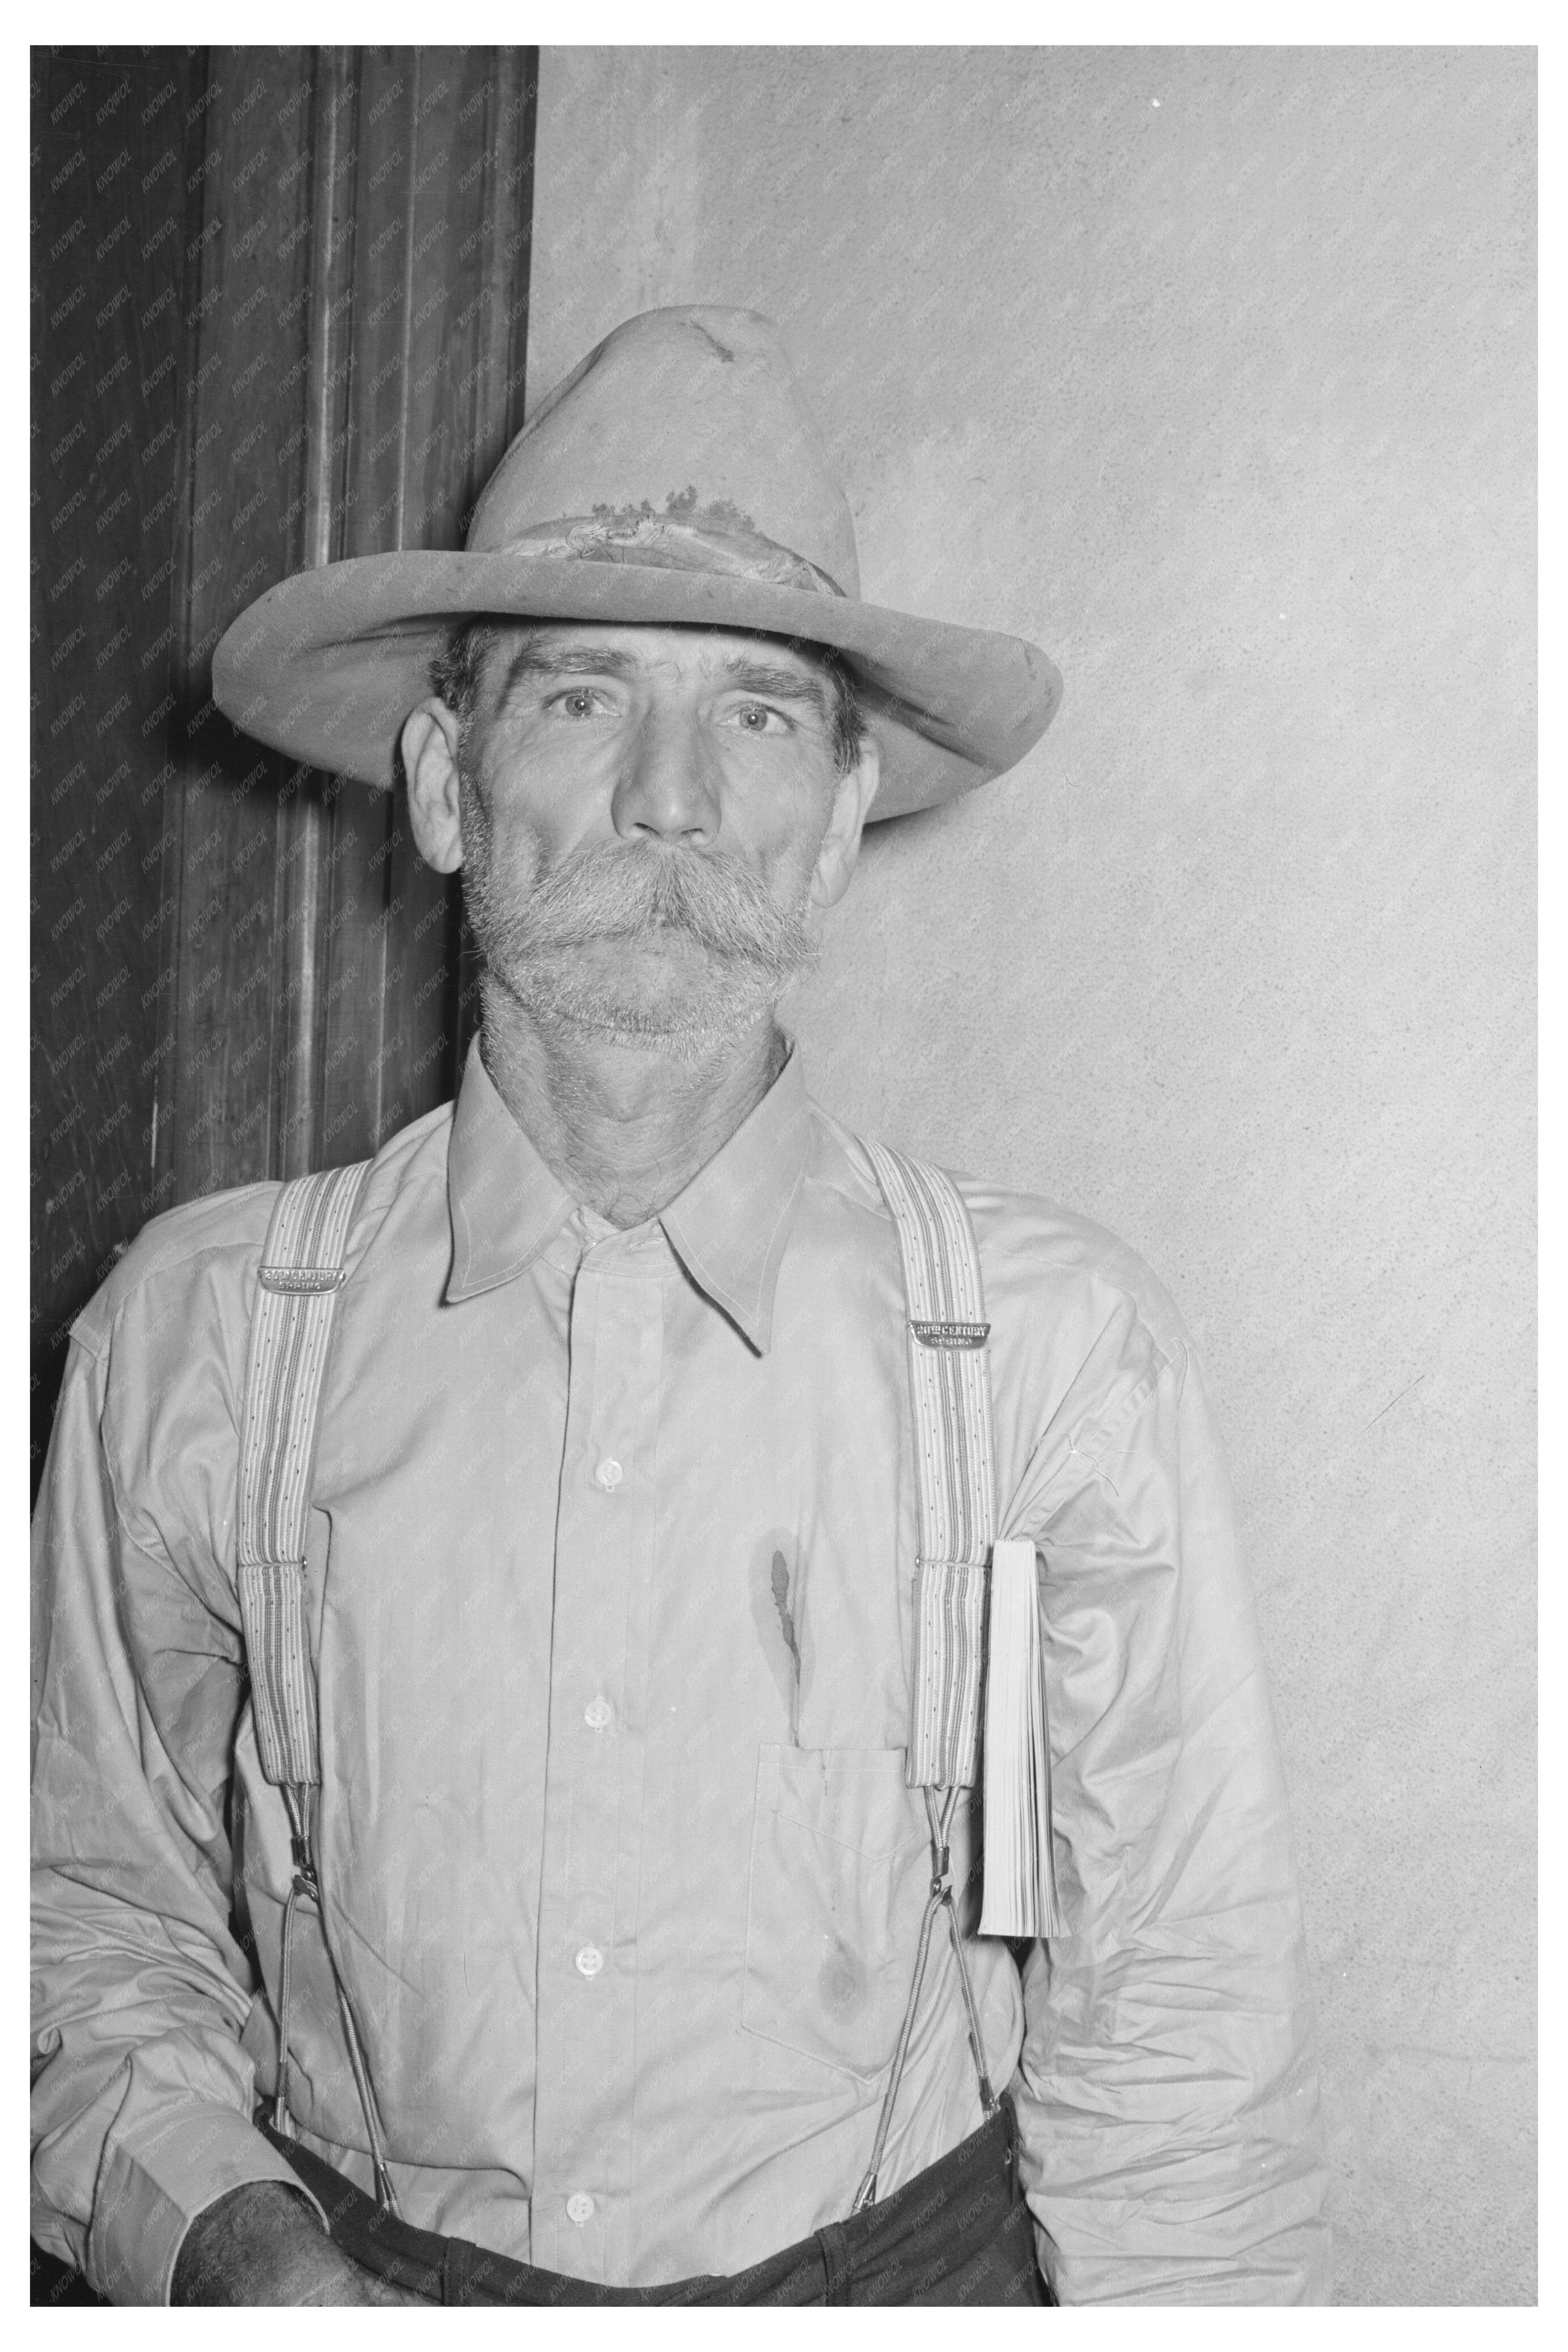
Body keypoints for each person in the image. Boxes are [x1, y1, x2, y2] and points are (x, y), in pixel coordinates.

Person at [31, 306, 1331, 2306]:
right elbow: (76, 1909)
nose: (668, 799)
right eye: (577, 701)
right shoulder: (199, 1343)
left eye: (753, 715)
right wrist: (237, 2250)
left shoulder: (1055, 1357)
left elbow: (1179, 2097)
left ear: (831, 820)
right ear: (447, 785)